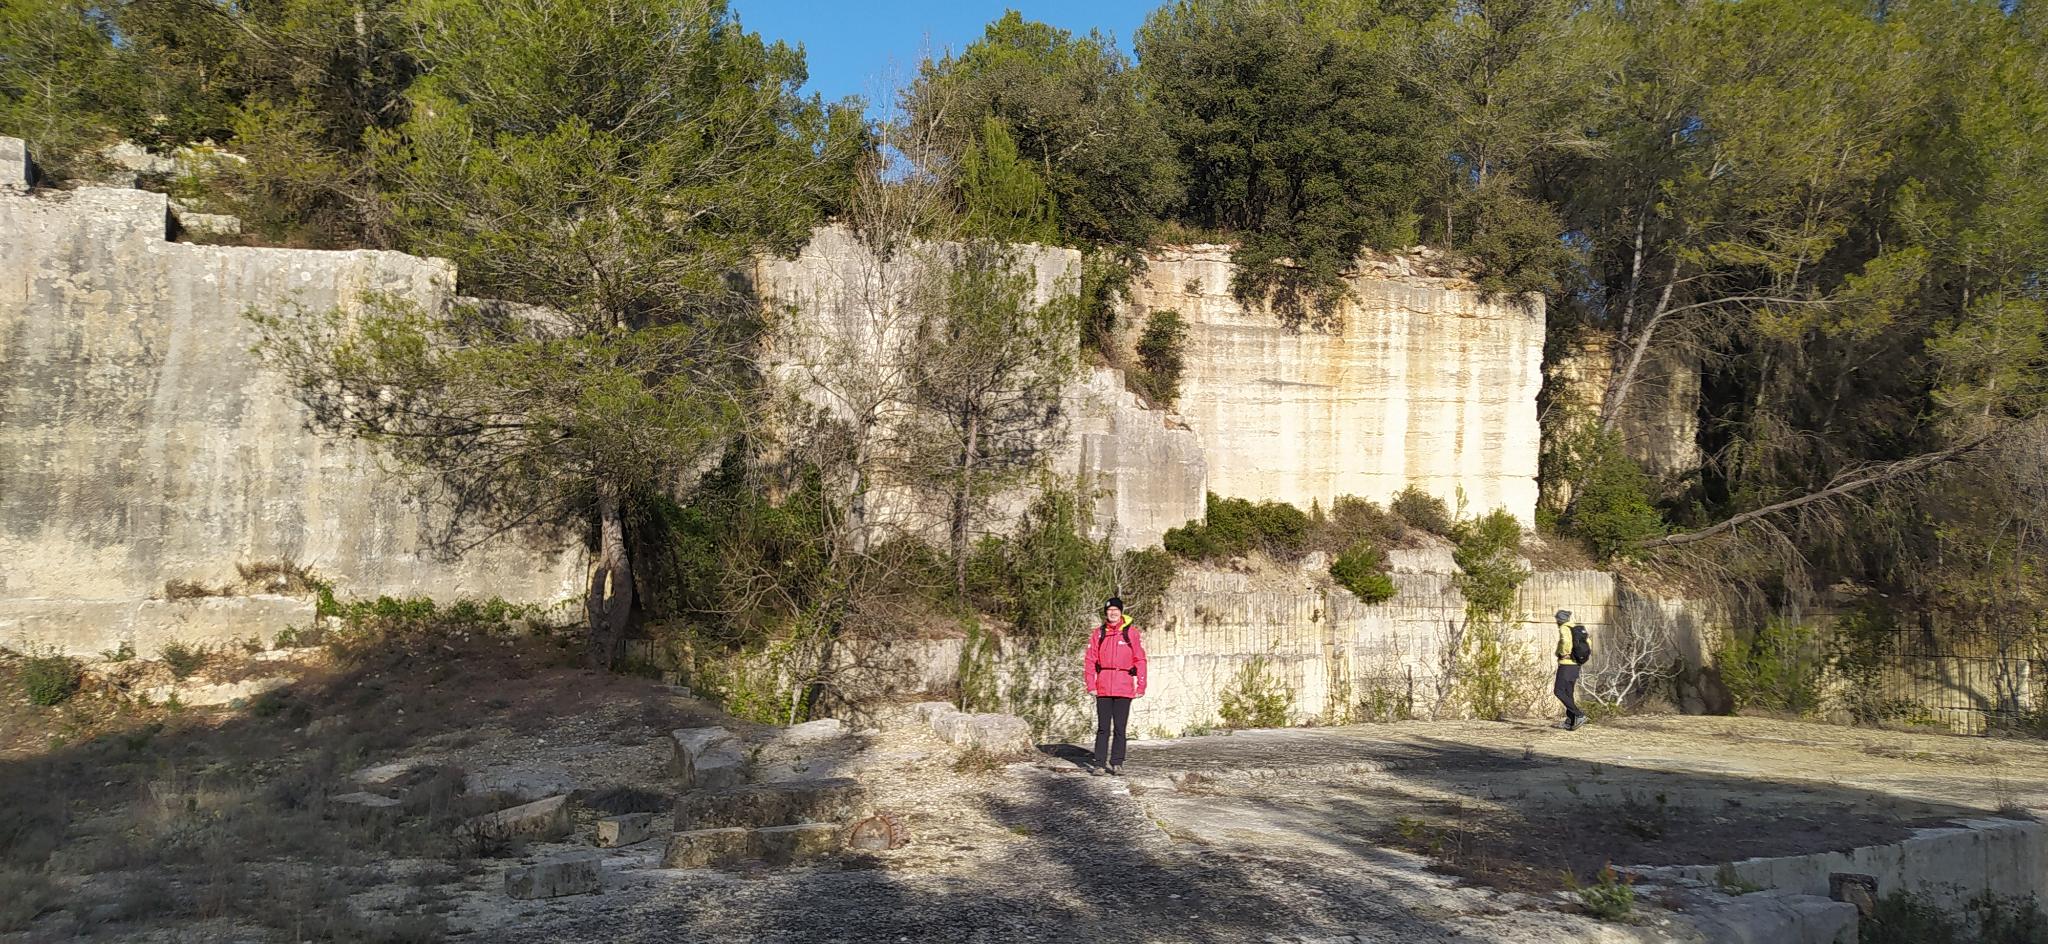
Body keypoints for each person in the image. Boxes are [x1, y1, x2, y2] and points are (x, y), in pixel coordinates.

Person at [1084, 596, 1147, 775]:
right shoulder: (1098, 633)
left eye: (1116, 610)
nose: (1112, 613)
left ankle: (1117, 763)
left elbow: (1140, 659)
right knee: (1103, 728)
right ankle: (1099, 764)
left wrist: (1141, 685)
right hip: (1103, 686)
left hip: (1124, 686)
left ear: (1121, 612)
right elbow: (1090, 659)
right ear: (1106, 613)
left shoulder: (1131, 633)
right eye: (1109, 610)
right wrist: (1090, 684)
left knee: (1120, 727)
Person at [1554, 609, 1590, 730]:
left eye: (1557, 619)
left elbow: (1565, 641)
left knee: (1559, 691)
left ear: (1560, 620)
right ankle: (1571, 721)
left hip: (1566, 664)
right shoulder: (1576, 628)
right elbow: (1588, 642)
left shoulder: (1564, 627)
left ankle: (1579, 715)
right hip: (1575, 665)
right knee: (1568, 693)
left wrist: (1564, 653)